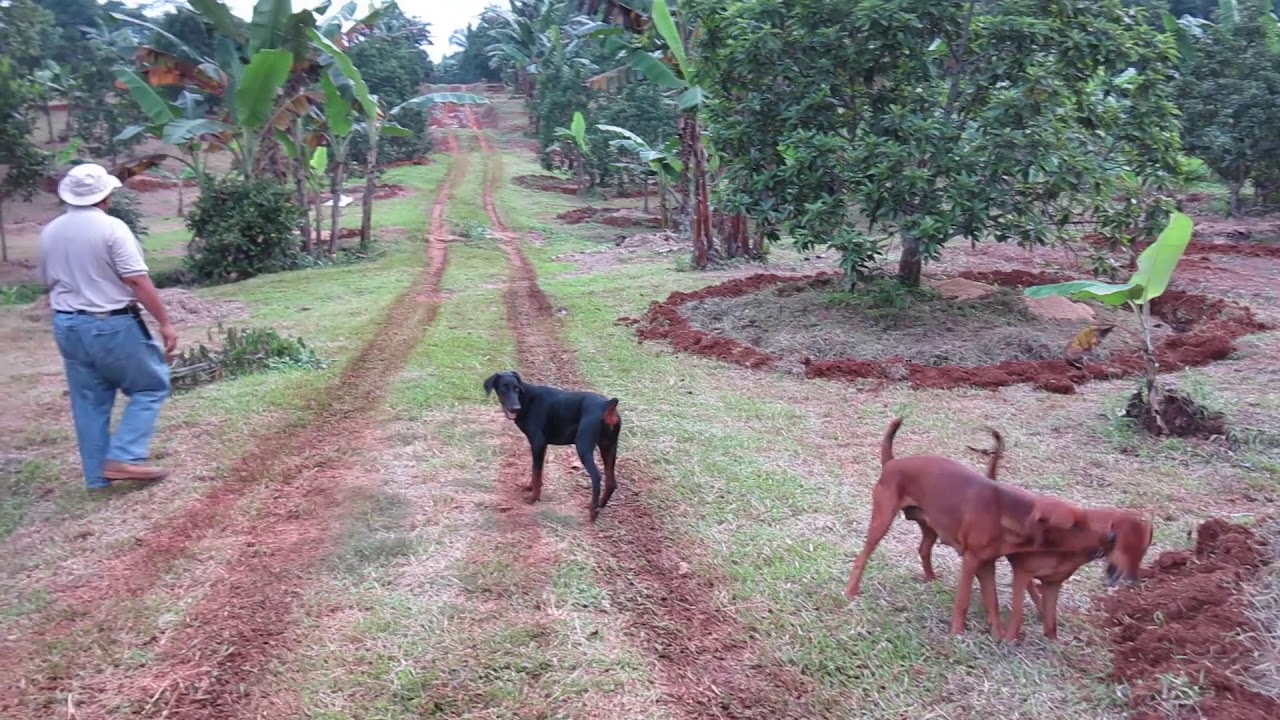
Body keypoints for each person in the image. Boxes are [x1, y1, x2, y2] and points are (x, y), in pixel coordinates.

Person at [37, 163, 178, 489]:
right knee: (150, 386)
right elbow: (135, 280)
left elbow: (47, 282)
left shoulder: (50, 231)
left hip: (67, 325)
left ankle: (97, 478)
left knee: (89, 401)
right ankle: (124, 457)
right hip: (110, 323)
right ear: (105, 196)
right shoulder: (111, 228)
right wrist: (165, 322)